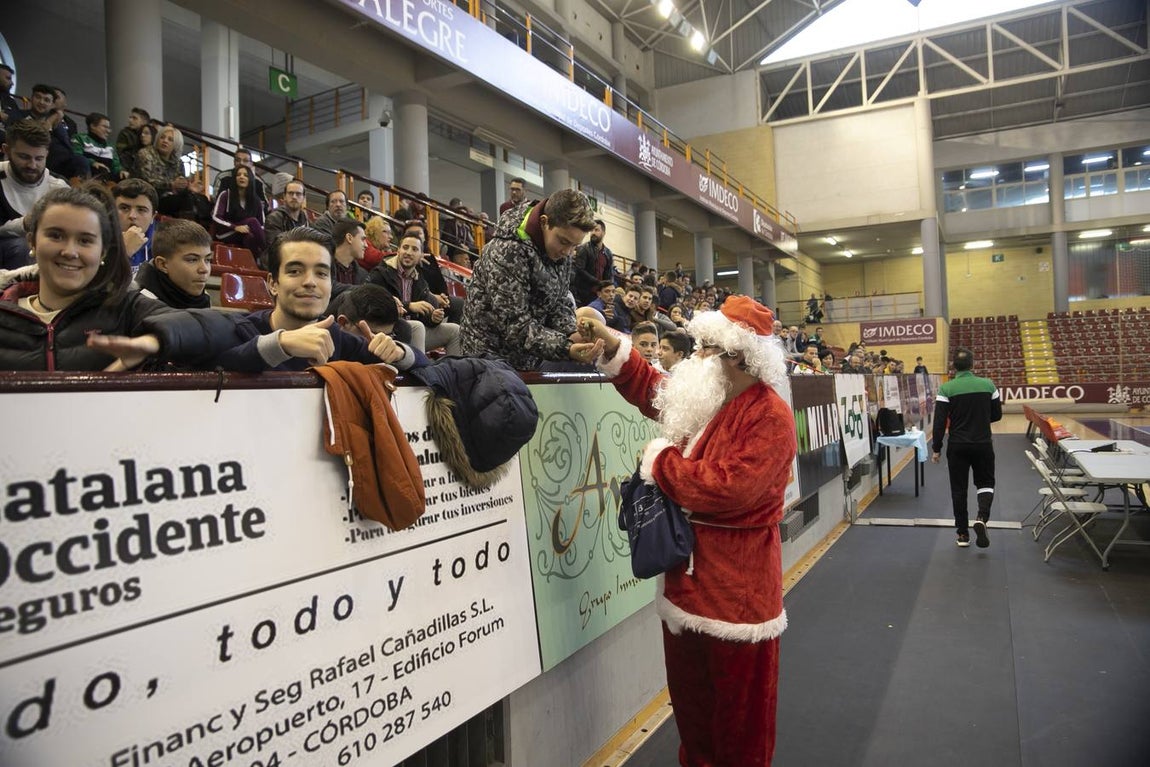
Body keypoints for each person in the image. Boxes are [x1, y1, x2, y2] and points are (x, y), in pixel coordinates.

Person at [579, 295, 795, 767]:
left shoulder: (770, 416)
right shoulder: (713, 398)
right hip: (685, 591)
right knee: (695, 725)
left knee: (741, 734)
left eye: (703, 347)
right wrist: (611, 347)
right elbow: (656, 389)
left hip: (737, 599)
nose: (693, 356)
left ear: (734, 356)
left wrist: (662, 463)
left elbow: (730, 489)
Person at [0, 186, 239, 371]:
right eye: (56, 235)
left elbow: (224, 328)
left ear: (103, 251)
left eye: (85, 240)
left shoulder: (126, 307)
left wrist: (157, 339)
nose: (70, 251)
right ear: (32, 242)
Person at [214, 228, 424, 373]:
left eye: (321, 273)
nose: (310, 282)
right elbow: (217, 363)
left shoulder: (336, 337)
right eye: (295, 271)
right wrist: (282, 344)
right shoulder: (243, 330)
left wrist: (397, 352)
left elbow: (424, 364)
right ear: (273, 283)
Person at [460, 188, 599, 369]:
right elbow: (515, 327)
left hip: (529, 357)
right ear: (544, 222)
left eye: (575, 246)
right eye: (564, 242)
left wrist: (571, 333)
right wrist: (567, 348)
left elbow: (559, 302)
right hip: (488, 357)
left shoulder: (559, 251)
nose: (568, 252)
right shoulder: (507, 250)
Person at [931, 348, 1002, 549]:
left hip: (957, 446)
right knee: (986, 483)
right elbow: (997, 415)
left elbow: (939, 423)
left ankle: (962, 534)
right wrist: (979, 418)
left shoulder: (946, 389)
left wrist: (936, 448)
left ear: (954, 367)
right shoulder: (988, 385)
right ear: (973, 365)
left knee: (958, 489)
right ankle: (982, 517)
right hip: (983, 444)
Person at [0, 122, 70, 268]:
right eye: (24, 157)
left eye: (39, 159)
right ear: (6, 150)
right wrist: (25, 224)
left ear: (47, 155)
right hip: (11, 250)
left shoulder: (58, 187)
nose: (32, 165)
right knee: (22, 247)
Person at [134, 219, 212, 309]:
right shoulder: (140, 304)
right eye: (192, 260)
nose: (204, 269)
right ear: (163, 264)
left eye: (208, 260)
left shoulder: (205, 299)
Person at [211, 165, 266, 256]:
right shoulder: (225, 195)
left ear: (250, 180)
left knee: (250, 237)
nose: (241, 177)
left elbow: (262, 225)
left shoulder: (256, 200)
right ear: (234, 178)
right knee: (252, 221)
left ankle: (255, 264)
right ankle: (267, 252)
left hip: (246, 233)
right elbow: (216, 217)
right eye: (238, 175)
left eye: (245, 175)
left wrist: (251, 230)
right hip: (225, 233)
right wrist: (235, 227)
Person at [112, 178, 158, 272]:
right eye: (124, 208)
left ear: (153, 216)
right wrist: (124, 252)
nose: (132, 216)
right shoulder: (97, 242)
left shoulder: (161, 245)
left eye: (141, 210)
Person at [571, 218, 613, 306]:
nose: (593, 233)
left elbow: (608, 274)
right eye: (591, 230)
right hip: (583, 293)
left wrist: (607, 287)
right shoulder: (584, 248)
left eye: (596, 230)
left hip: (599, 294)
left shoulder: (608, 253)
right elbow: (580, 269)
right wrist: (597, 281)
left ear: (603, 233)